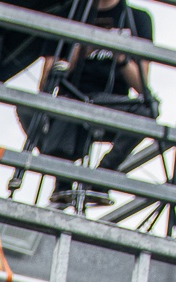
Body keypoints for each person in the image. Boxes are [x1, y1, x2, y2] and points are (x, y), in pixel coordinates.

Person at [33, 0, 156, 209]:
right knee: (28, 109)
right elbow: (46, 84)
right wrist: (80, 51)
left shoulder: (137, 18)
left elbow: (142, 86)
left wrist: (120, 55)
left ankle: (102, 176)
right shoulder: (68, 13)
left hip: (114, 105)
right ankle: (62, 176)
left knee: (149, 110)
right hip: (71, 101)